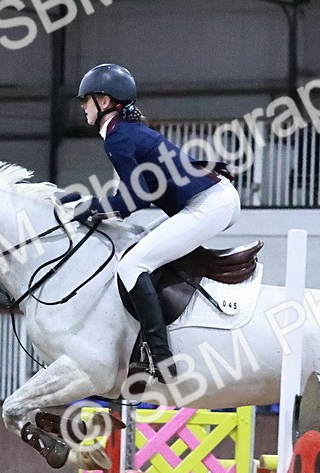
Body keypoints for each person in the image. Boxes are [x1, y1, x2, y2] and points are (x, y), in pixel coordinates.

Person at [74, 63, 241, 382]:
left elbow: (136, 197)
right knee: (138, 250)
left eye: (87, 100)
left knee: (132, 264)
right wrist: (100, 208)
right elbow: (133, 191)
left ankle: (160, 356)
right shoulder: (122, 132)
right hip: (212, 198)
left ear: (105, 102)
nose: (83, 106)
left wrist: (93, 207)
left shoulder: (117, 137)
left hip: (209, 203)